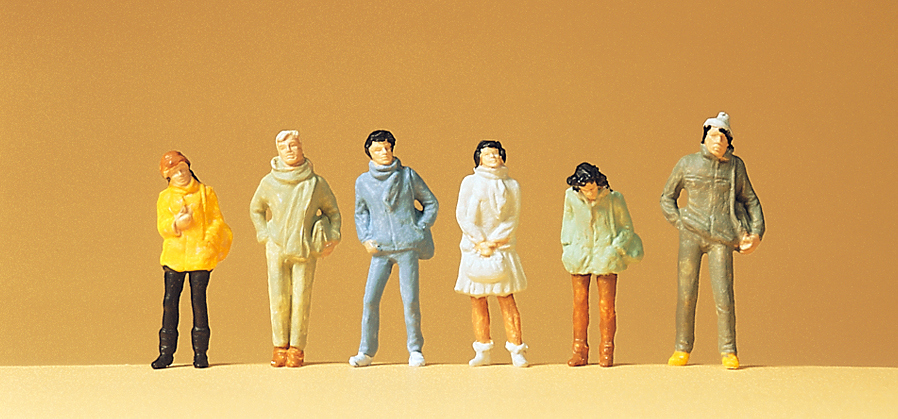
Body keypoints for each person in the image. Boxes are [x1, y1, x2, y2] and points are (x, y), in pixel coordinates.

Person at [660, 112, 765, 369]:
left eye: (723, 137)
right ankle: (681, 348)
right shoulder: (687, 164)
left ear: (729, 142)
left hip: (722, 237)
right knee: (686, 295)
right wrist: (680, 222)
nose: (718, 141)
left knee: (724, 296)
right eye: (713, 136)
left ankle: (728, 350)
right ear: (704, 137)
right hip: (691, 235)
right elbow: (667, 197)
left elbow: (751, 200)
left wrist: (757, 233)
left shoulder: (736, 167)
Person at [250, 130, 341, 368]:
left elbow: (333, 212)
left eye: (293, 145)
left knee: (301, 298)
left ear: (301, 147)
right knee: (278, 298)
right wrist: (264, 234)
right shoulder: (269, 182)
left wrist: (332, 237)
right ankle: (279, 346)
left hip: (304, 247)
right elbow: (256, 209)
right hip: (276, 246)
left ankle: (297, 348)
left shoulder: (316, 184)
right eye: (284, 147)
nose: (289, 151)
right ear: (277, 151)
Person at [349, 130, 438, 367]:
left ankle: (415, 349)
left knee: (410, 300)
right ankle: (366, 351)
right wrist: (365, 239)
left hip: (407, 246)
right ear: (369, 152)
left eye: (388, 148)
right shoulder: (363, 182)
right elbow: (360, 213)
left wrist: (419, 226)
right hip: (380, 248)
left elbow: (430, 202)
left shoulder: (407, 175)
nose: (384, 152)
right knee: (370, 299)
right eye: (378, 149)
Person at [153, 151, 232, 369]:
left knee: (199, 302)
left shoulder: (206, 193)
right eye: (175, 171)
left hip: (200, 255)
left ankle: (200, 353)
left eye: (183, 169)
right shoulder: (165, 198)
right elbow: (162, 226)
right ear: (168, 176)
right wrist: (177, 225)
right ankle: (166, 352)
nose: (181, 174)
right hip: (175, 257)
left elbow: (217, 220)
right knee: (170, 303)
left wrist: (207, 241)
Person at [455, 140, 529, 367]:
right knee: (477, 299)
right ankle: (482, 349)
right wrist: (480, 241)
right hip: (475, 248)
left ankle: (517, 349)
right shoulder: (469, 182)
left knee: (506, 298)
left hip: (501, 248)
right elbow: (462, 214)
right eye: (488, 154)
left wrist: (493, 242)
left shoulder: (512, 185)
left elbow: (512, 217)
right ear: (479, 157)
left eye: (496, 154)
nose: (493, 157)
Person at [561, 162, 643, 367]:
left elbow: (627, 228)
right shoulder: (570, 197)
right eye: (585, 190)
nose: (590, 193)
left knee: (607, 306)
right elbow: (567, 224)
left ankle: (606, 350)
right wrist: (567, 247)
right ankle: (579, 350)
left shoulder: (614, 198)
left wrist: (615, 249)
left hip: (605, 255)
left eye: (593, 188)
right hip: (579, 255)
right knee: (579, 304)